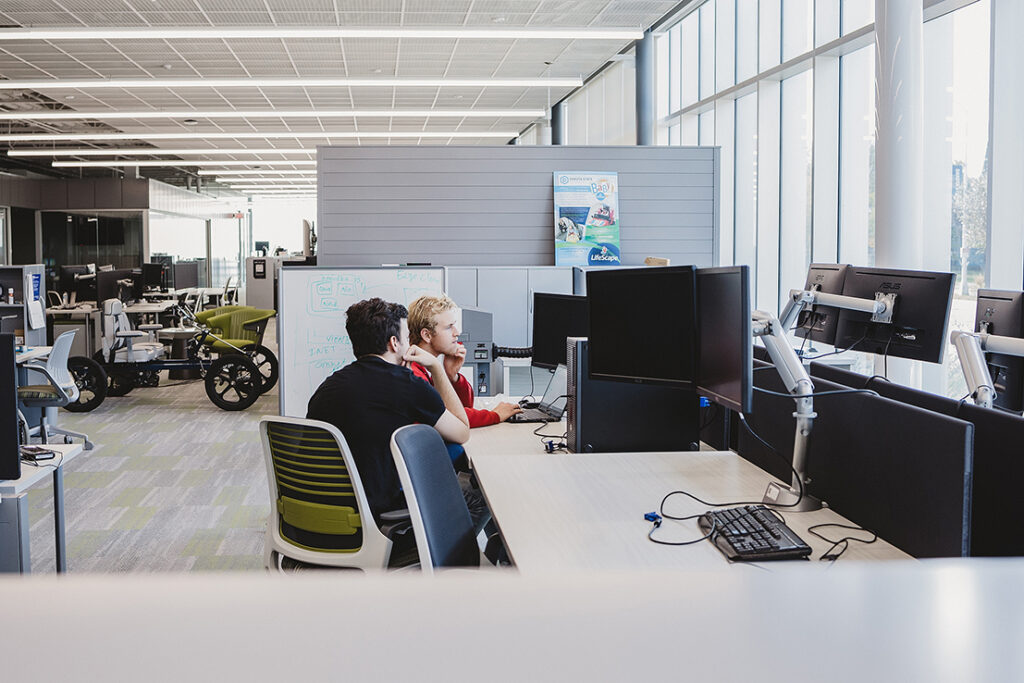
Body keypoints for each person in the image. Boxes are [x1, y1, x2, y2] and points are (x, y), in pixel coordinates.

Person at [306, 297, 487, 564]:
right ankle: (442, 559)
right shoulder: (406, 384)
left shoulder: (328, 387)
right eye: (405, 337)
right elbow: (462, 431)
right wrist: (437, 367)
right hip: (373, 524)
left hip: (315, 522)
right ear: (394, 343)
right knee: (478, 491)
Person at [406, 294, 522, 426]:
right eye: (449, 327)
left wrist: (453, 377)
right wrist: (495, 415)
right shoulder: (414, 375)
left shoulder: (423, 369)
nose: (456, 333)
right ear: (427, 335)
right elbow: (450, 417)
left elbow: (464, 407)